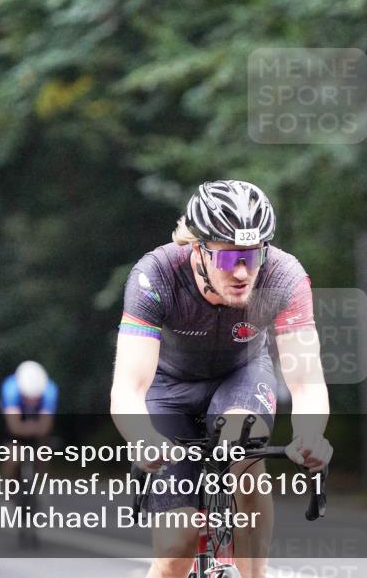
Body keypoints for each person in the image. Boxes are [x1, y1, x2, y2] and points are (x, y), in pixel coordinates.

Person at [110, 180, 333, 578]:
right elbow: (128, 386)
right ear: (198, 249)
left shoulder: (283, 276)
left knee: (242, 448)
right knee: (175, 551)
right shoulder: (155, 275)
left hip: (242, 375)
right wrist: (141, 438)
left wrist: (311, 434)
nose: (244, 272)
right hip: (169, 387)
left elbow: (306, 380)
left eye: (254, 255)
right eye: (230, 259)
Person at [0, 361, 58, 480]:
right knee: (12, 456)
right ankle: (8, 493)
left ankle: (41, 484)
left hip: (37, 419)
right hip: (16, 417)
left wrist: (37, 430)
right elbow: (13, 426)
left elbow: (45, 426)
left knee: (43, 453)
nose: (31, 402)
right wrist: (28, 429)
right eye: (27, 398)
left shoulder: (50, 390)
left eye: (36, 398)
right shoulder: (10, 388)